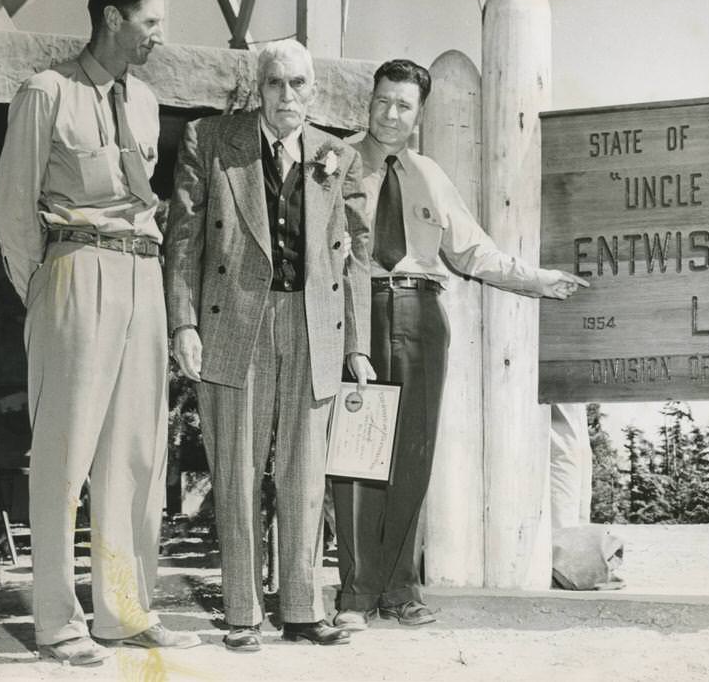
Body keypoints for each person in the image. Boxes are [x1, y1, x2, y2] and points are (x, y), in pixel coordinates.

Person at [0, 0, 199, 666]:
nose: (157, 39)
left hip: (142, 274)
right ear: (112, 19)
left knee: (136, 453)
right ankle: (58, 622)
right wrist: (47, 289)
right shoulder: (47, 92)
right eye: (149, 25)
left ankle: (121, 609)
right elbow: (11, 212)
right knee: (63, 456)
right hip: (77, 270)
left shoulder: (143, 100)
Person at [331, 58, 588, 630]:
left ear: (418, 115)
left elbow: (474, 253)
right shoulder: (335, 162)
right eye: (382, 101)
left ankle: (399, 591)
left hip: (422, 313)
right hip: (359, 311)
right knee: (357, 454)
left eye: (403, 105)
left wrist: (539, 279)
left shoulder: (429, 174)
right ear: (368, 102)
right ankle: (354, 596)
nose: (390, 114)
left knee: (413, 457)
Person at [164, 40, 371, 652]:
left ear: (315, 91)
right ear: (260, 87)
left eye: (299, 85)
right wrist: (183, 324)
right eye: (276, 83)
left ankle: (304, 608)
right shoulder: (210, 140)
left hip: (314, 324)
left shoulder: (338, 155)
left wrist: (356, 343)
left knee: (306, 473)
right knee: (237, 470)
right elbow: (181, 240)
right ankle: (242, 612)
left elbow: (355, 257)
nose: (287, 96)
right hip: (235, 322)